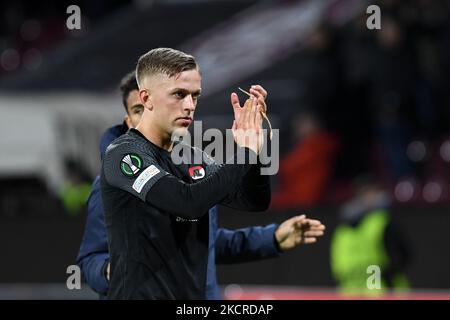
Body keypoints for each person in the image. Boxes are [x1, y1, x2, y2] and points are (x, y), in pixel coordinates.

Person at [77, 71, 326, 299]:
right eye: (139, 110)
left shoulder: (196, 167)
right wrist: (113, 270)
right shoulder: (114, 180)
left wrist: (272, 238)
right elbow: (90, 259)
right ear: (127, 121)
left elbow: (207, 242)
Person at [330, 175, 411, 296]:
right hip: (381, 293)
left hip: (351, 294)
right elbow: (404, 256)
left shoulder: (341, 231)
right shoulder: (382, 223)